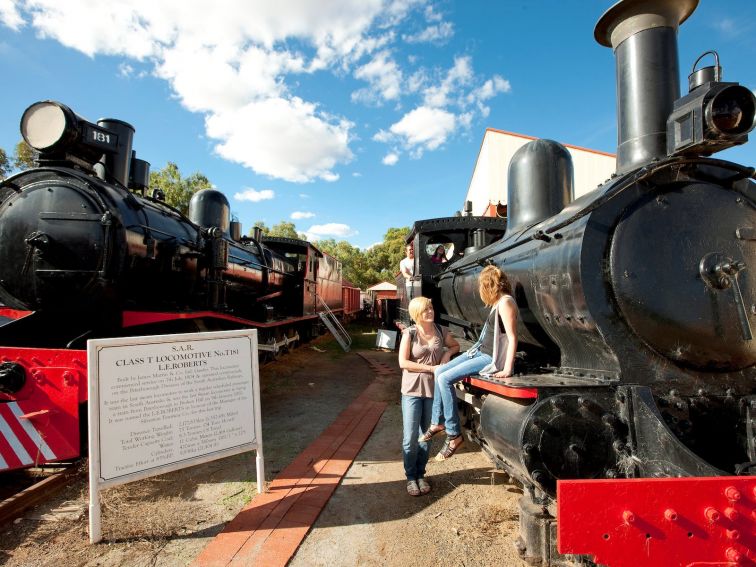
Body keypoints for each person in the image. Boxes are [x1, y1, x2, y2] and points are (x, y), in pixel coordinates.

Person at [419, 265, 518, 461]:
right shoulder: (498, 303)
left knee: (445, 378)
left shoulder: (506, 303)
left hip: (489, 357)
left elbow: (513, 337)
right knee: (440, 372)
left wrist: (507, 368)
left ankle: (454, 435)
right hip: (479, 351)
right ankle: (437, 423)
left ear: (488, 286)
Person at [398, 296, 459, 496]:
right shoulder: (410, 333)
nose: (430, 312)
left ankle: (421, 475)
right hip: (411, 391)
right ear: (417, 313)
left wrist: (446, 356)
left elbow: (455, 346)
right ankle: (410, 477)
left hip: (432, 391)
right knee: (410, 438)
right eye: (425, 310)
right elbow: (403, 363)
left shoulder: (441, 331)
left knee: (426, 435)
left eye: (431, 308)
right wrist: (432, 368)